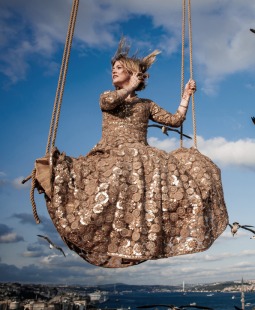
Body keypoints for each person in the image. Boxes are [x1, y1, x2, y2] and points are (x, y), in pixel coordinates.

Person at [39, 38, 228, 268]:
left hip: (140, 156)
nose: (113, 72)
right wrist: (129, 88)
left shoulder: (146, 105)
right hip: (110, 154)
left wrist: (186, 96)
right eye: (113, 69)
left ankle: (140, 239)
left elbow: (174, 120)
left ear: (132, 72)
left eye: (118, 68)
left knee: (168, 176)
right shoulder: (108, 96)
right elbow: (107, 103)